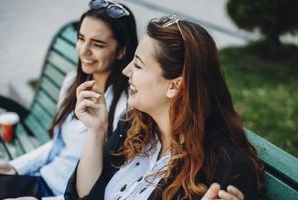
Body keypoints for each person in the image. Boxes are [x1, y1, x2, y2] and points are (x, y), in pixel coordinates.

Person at [64, 14, 266, 200]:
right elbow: (84, 196)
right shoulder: (133, 126)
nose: (126, 71)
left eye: (138, 65)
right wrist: (97, 130)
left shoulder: (223, 170)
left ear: (174, 86)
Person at [0, 0, 138, 199]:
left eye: (97, 44)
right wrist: (14, 167)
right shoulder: (74, 80)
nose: (84, 50)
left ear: (122, 51)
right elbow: (57, 146)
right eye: (81, 38)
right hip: (39, 180)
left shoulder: (124, 111)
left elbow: (103, 188)